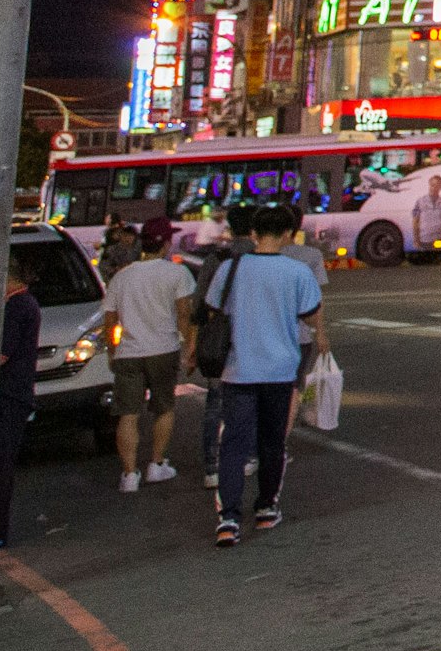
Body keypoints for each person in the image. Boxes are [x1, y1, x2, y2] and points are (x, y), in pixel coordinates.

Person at [199, 204, 325, 546]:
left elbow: (215, 309)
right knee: (272, 442)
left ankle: (228, 519)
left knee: (234, 445)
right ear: (288, 234)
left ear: (253, 234)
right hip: (280, 369)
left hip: (239, 370)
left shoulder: (230, 268)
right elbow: (311, 314)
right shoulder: (297, 272)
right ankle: (267, 507)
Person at [103, 218, 191, 492]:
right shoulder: (177, 274)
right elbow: (184, 314)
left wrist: (112, 350)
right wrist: (187, 345)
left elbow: (109, 318)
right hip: (164, 349)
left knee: (128, 414)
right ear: (165, 243)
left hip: (129, 352)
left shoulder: (123, 276)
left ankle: (129, 475)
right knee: (163, 408)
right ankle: (156, 463)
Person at [0, 263, 41, 551]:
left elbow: (1, 355)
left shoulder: (17, 307)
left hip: (9, 395)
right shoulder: (25, 304)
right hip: (16, 393)